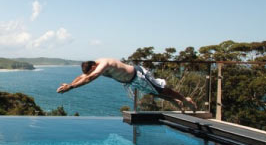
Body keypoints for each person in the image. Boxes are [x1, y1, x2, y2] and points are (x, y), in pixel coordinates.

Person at [56, 58, 196, 112]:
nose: (92, 72)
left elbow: (91, 77)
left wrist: (72, 87)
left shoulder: (104, 64)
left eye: (92, 70)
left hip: (138, 76)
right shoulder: (93, 68)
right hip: (131, 81)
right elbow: (83, 76)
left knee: (161, 89)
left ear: (93, 66)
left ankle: (185, 100)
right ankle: (178, 101)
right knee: (155, 93)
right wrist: (69, 84)